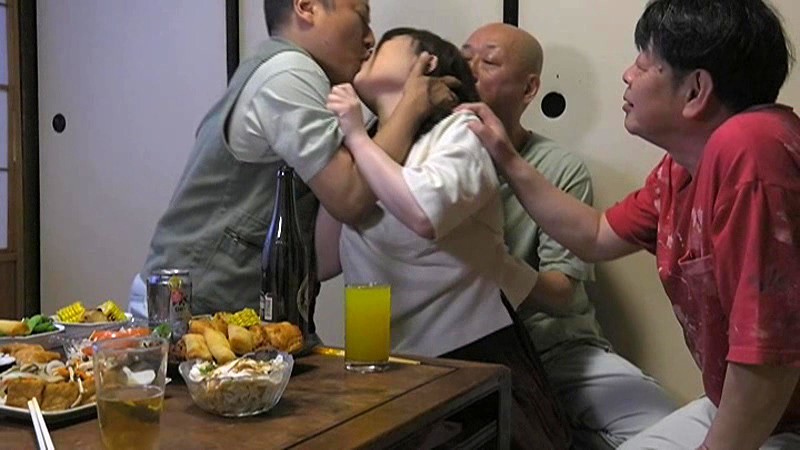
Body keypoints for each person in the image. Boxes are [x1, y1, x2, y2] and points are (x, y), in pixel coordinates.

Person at [460, 1, 800, 448]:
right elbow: (596, 234)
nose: (627, 75)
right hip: (741, 405)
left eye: (643, 64)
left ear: (696, 90)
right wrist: (505, 154)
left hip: (778, 414)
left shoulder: (752, 148)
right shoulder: (680, 169)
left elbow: (768, 358)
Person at [319, 27, 571, 449]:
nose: (368, 46)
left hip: (469, 362)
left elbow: (423, 214)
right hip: (383, 362)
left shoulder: (460, 131)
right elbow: (324, 259)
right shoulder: (370, 146)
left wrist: (358, 139)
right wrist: (348, 153)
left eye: (384, 43)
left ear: (428, 62)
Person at [127, 0, 457, 316]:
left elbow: (322, 256)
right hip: (189, 312)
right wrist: (413, 106)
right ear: (306, 7)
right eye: (361, 16)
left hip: (232, 311)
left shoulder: (303, 79)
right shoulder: (288, 72)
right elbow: (351, 197)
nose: (370, 38)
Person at [461, 23, 676, 449]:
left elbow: (563, 290)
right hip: (464, 356)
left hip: (554, 349)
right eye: (463, 57)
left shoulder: (558, 167)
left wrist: (488, 260)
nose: (469, 70)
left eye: (488, 62)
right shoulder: (421, 161)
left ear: (529, 89)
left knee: (664, 429)